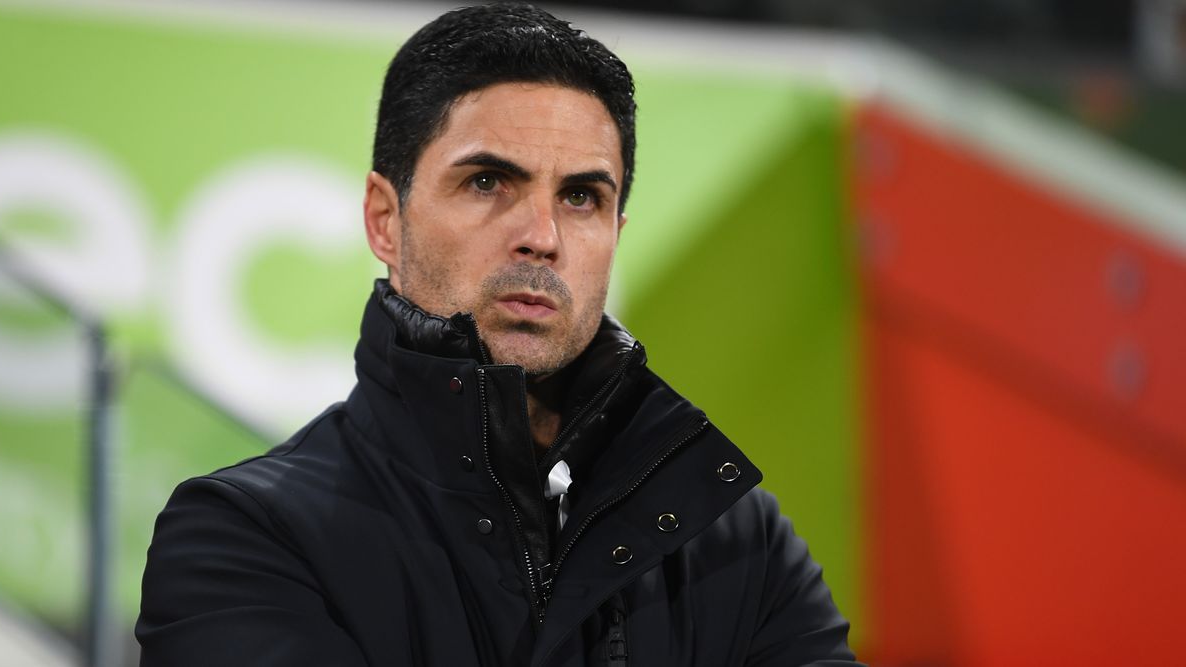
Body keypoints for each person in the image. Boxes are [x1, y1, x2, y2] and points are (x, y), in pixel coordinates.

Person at [136, 4, 861, 665]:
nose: (541, 237)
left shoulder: (736, 540)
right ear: (385, 219)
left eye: (581, 197)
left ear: (615, 233)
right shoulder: (243, 537)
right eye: (487, 182)